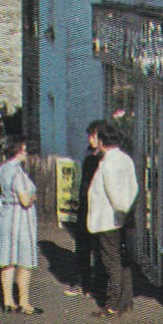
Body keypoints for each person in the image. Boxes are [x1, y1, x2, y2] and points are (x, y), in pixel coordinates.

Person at [86, 121, 138, 318]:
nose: (90, 140)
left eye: (92, 136)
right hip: (121, 218)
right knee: (122, 261)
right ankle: (125, 301)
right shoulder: (125, 159)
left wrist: (120, 209)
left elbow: (113, 192)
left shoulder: (109, 163)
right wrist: (126, 210)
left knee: (111, 262)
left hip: (109, 220)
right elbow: (134, 188)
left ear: (101, 138)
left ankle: (112, 305)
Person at [0, 137, 41, 314]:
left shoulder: (1, 170)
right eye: (24, 149)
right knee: (25, 262)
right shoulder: (18, 173)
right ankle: (24, 303)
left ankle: (7, 301)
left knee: (7, 260)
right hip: (22, 219)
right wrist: (33, 197)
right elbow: (25, 200)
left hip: (6, 216)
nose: (26, 152)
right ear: (18, 150)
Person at [63, 120, 106, 298]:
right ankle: (85, 284)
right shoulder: (88, 153)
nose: (90, 139)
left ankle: (99, 285)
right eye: (89, 135)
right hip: (85, 203)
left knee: (99, 248)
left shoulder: (105, 157)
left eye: (93, 135)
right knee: (82, 246)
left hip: (100, 206)